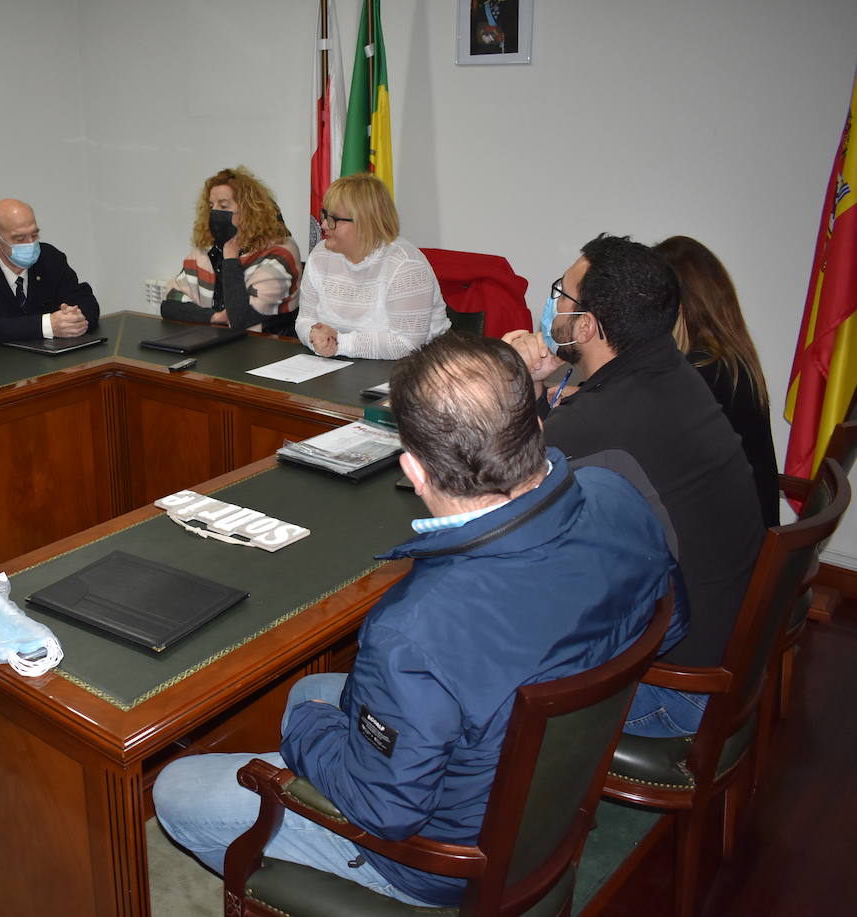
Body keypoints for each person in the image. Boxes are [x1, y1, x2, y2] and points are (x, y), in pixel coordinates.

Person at [154, 334, 680, 908]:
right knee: (314, 688)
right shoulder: (618, 492)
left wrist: (305, 728)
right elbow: (669, 624)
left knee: (182, 786)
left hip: (442, 858)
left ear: (413, 469)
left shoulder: (414, 628)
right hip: (544, 788)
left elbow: (385, 809)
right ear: (535, 422)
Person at [502, 234, 765, 737]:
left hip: (673, 692)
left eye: (562, 294)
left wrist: (514, 381)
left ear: (586, 326)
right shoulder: (673, 374)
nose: (553, 302)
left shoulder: (604, 418)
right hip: (725, 658)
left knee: (482, 669)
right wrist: (537, 385)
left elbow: (496, 488)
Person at [654, 235, 779, 527]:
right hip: (749, 532)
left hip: (726, 547)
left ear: (675, 305)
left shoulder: (699, 375)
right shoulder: (728, 363)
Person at [294, 173, 449, 359]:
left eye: (334, 219)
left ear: (365, 223)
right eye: (325, 215)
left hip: (420, 368)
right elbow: (305, 319)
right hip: (339, 364)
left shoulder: (405, 265)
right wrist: (315, 338)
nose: (324, 225)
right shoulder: (320, 255)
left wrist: (339, 343)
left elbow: (407, 344)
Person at [160, 167, 301, 336]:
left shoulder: (280, 254)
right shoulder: (207, 252)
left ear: (249, 210)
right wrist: (214, 317)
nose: (215, 213)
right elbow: (169, 305)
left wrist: (230, 259)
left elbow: (239, 319)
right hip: (216, 345)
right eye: (212, 206)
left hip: (267, 350)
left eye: (224, 206)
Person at [0, 198, 100, 346]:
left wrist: (76, 319)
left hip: (48, 358)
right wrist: (48, 326)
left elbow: (84, 299)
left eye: (34, 235)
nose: (30, 244)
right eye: (20, 238)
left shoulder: (49, 257)